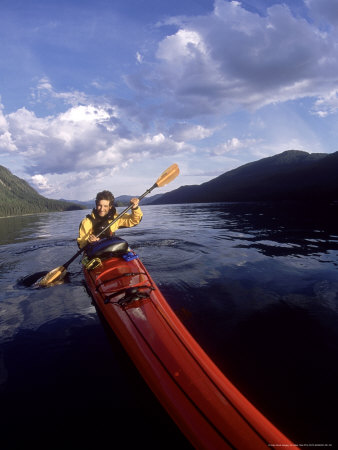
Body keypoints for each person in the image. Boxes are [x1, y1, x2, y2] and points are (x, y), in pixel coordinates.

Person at [77, 190, 143, 248]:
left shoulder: (115, 218)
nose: (102, 209)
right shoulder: (86, 222)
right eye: (99, 205)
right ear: (96, 205)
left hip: (111, 248)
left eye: (105, 206)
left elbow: (134, 221)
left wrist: (135, 208)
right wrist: (89, 242)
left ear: (110, 207)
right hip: (94, 251)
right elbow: (81, 244)